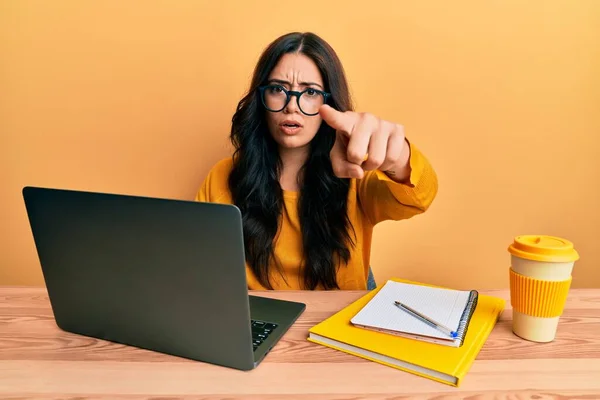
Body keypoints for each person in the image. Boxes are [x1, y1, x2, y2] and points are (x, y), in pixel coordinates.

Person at [195, 32, 438, 290]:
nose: (292, 106)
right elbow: (199, 265)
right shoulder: (222, 176)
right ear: (261, 98)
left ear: (330, 103)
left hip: (336, 324)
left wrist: (395, 155)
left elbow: (419, 197)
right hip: (256, 324)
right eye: (278, 89)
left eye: (310, 92)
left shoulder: (357, 173)